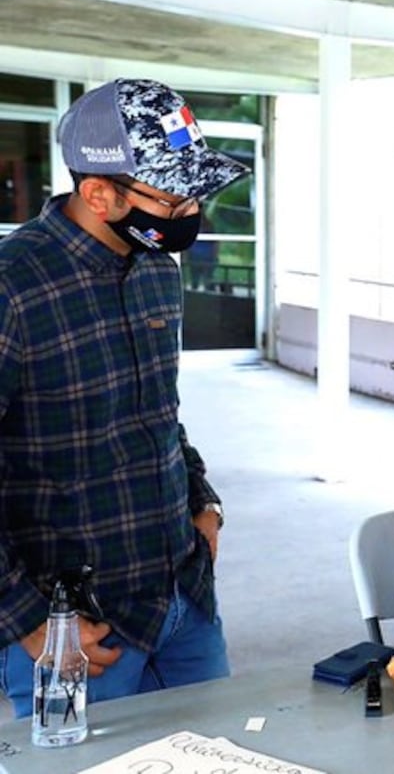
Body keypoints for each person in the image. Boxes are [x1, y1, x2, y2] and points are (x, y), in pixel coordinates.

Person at [0, 79, 248, 717]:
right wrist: (27, 620)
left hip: (183, 598)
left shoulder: (156, 270)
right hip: (79, 627)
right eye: (171, 198)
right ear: (98, 193)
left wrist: (202, 501)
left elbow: (161, 412)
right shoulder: (12, 290)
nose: (189, 213)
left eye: (195, 195)